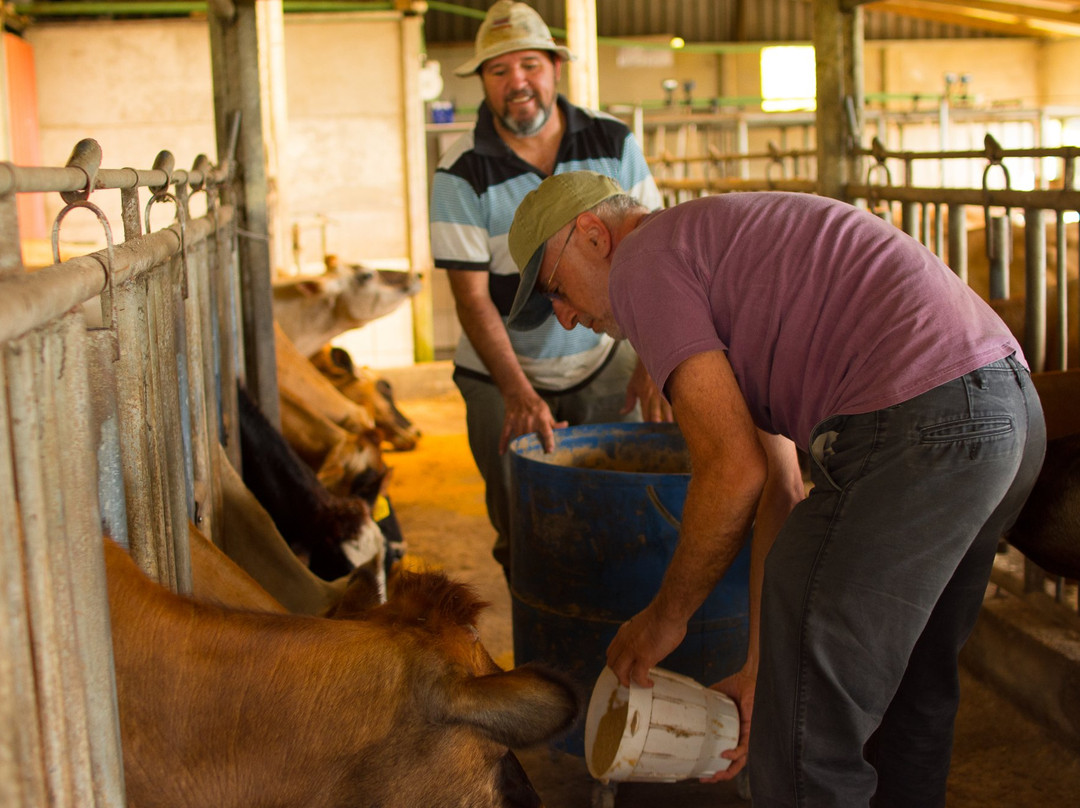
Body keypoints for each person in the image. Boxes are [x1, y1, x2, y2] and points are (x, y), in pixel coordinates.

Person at [505, 171, 1046, 807]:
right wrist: (762, 669)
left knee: (803, 742)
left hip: (923, 424)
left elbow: (731, 471)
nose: (565, 320)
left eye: (555, 290)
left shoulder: (641, 263)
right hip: (1005, 411)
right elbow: (778, 488)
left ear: (593, 235)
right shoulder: (716, 251)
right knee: (908, 693)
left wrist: (664, 620)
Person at [428, 1, 669, 577]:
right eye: (498, 70)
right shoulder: (459, 170)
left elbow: (655, 255)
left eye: (530, 65)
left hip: (605, 357)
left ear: (556, 68)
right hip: (502, 371)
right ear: (483, 82)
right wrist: (516, 392)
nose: (517, 83)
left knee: (623, 509)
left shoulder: (613, 140)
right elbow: (472, 298)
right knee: (524, 525)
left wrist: (653, 358)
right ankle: (542, 643)